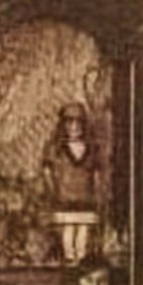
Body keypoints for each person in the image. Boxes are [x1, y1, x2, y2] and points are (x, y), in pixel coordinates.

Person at [41, 102, 103, 264]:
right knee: (68, 227)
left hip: (85, 196)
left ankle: (81, 258)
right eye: (70, 123)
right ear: (63, 125)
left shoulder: (92, 149)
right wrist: (52, 189)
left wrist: (97, 191)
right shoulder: (55, 148)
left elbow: (96, 172)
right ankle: (70, 257)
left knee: (83, 227)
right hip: (65, 196)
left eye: (78, 123)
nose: (74, 127)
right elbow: (46, 169)